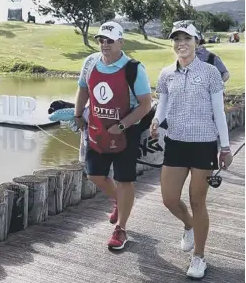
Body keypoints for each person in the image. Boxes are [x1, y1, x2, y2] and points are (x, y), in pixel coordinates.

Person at [150, 21, 233, 279]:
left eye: (186, 38)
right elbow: (162, 105)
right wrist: (156, 120)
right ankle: (188, 225)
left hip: (204, 144)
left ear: (196, 41)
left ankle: (199, 257)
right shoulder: (166, 74)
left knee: (198, 201)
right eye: (176, 38)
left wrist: (225, 147)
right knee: (169, 199)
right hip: (175, 143)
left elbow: (219, 112)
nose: (181, 43)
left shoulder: (210, 73)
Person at [74, 21, 152, 250]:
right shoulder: (90, 63)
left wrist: (122, 125)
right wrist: (78, 114)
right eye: (101, 40)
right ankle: (119, 200)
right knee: (94, 175)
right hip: (97, 129)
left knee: (125, 179)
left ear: (121, 42)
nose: (104, 44)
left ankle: (121, 228)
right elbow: (83, 90)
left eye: (110, 40)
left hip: (126, 132)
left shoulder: (134, 68)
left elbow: (145, 105)